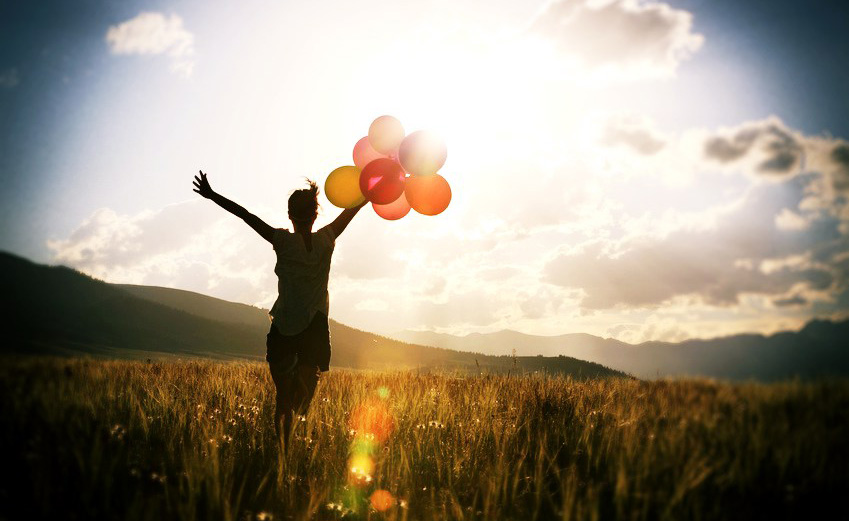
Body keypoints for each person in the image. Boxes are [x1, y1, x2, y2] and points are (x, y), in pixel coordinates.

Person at [192, 170, 365, 442]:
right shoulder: (325, 239)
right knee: (300, 403)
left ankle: (283, 455)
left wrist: (212, 195)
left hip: (284, 329)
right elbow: (352, 209)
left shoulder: (282, 241)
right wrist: (373, 187)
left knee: (284, 401)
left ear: (289, 216)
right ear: (315, 214)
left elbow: (246, 216)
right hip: (312, 331)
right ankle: (286, 456)